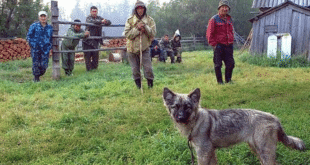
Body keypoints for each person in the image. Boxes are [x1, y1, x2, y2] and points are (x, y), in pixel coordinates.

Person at [124, 0, 156, 89]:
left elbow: (153, 33)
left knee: (148, 69)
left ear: (144, 9)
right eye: (138, 8)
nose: (140, 10)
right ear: (135, 10)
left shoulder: (150, 20)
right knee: (135, 70)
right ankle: (139, 87)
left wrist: (145, 27)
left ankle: (150, 86)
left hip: (144, 48)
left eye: (142, 8)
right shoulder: (130, 20)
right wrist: (137, 29)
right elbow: (128, 35)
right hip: (132, 50)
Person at [206, 0, 235, 84]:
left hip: (229, 46)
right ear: (219, 9)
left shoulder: (229, 19)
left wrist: (231, 41)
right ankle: (220, 82)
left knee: (231, 64)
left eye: (226, 7)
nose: (225, 9)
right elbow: (209, 34)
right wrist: (214, 45)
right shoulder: (214, 19)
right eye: (223, 7)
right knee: (218, 65)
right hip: (218, 46)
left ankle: (228, 80)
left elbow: (231, 31)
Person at [26, 11, 53, 82]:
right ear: (39, 17)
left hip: (45, 49)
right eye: (41, 16)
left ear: (47, 17)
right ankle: (36, 78)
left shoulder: (50, 27)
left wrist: (50, 47)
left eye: (44, 16)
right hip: (36, 49)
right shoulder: (34, 26)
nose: (43, 18)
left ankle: (40, 73)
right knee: (36, 63)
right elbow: (28, 36)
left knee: (44, 65)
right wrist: (33, 44)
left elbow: (51, 38)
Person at [82, 6, 111, 71]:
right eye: (93, 11)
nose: (94, 13)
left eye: (95, 11)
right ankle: (89, 72)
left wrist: (105, 22)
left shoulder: (99, 18)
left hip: (95, 41)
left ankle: (94, 71)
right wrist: (101, 21)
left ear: (97, 12)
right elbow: (92, 22)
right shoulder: (88, 18)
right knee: (88, 58)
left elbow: (109, 22)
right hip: (87, 41)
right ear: (90, 12)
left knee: (95, 58)